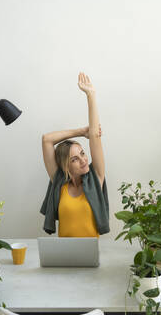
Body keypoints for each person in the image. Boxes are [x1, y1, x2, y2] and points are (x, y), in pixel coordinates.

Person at [40, 72, 110, 237]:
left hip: (90, 255)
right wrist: (80, 131)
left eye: (83, 153)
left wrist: (90, 95)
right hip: (64, 255)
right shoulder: (59, 182)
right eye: (75, 159)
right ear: (66, 166)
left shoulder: (96, 177)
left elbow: (95, 135)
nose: (84, 160)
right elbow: (46, 140)